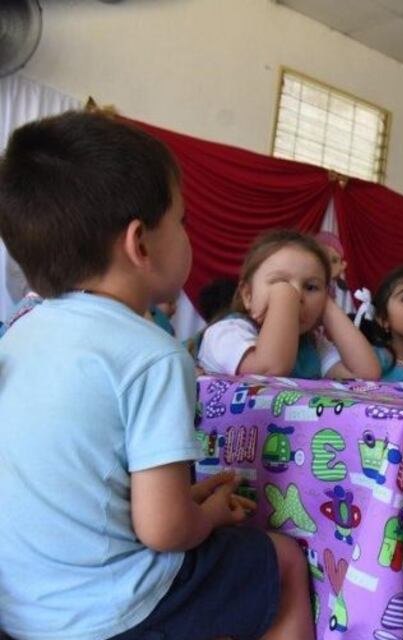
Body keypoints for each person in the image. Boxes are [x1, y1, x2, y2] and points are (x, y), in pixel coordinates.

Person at [0, 111, 313, 640]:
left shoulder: (19, 331)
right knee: (281, 560)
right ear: (140, 244)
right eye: (183, 221)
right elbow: (165, 530)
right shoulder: (153, 354)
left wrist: (188, 503)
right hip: (106, 611)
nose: (189, 235)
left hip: (22, 606)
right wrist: (210, 516)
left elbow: (77, 484)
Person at [196, 230, 379, 380]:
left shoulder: (313, 345)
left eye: (311, 287)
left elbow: (365, 375)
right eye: (280, 282)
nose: (296, 296)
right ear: (248, 295)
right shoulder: (227, 332)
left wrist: (327, 306)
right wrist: (284, 296)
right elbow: (267, 371)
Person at [314, 230, 355, 314]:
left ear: (342, 265)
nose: (327, 265)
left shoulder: (346, 292)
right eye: (322, 259)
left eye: (334, 261)